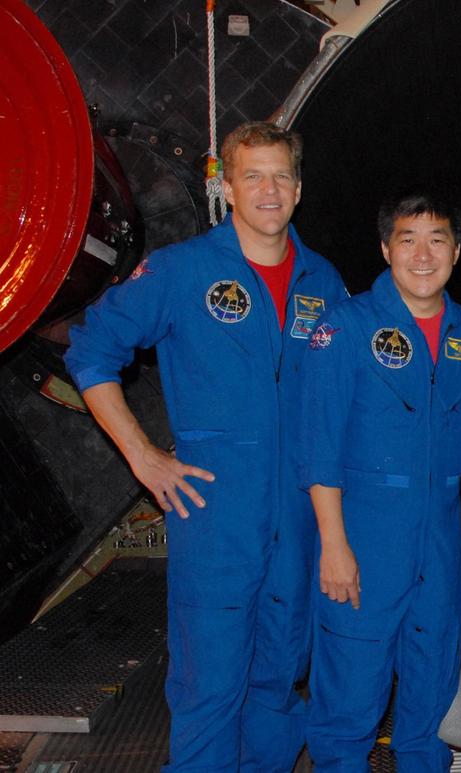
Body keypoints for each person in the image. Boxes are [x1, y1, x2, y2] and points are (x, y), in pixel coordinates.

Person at [64, 122, 347, 771]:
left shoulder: (323, 283)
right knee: (210, 689)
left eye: (281, 175)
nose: (268, 189)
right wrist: (141, 454)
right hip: (216, 518)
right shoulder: (180, 270)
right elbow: (91, 350)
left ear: (298, 189)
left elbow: (342, 401)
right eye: (252, 175)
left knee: (276, 684)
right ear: (226, 188)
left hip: (296, 525)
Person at [298, 188, 461, 772]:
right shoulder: (344, 329)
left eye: (437, 240)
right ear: (385, 249)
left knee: (429, 700)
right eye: (408, 240)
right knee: (350, 703)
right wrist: (333, 546)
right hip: (364, 539)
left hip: (440, 542)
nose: (423, 255)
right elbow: (319, 447)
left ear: (456, 251)